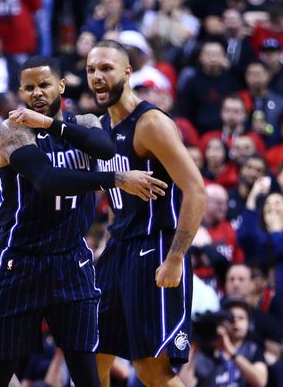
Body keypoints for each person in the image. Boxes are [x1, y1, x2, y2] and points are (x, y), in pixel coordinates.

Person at [0, 56, 166, 387]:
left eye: (44, 85)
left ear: (61, 86)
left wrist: (51, 124)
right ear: (20, 92)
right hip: (23, 260)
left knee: (85, 369)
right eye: (29, 88)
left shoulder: (86, 122)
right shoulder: (12, 131)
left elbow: (106, 149)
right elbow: (46, 180)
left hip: (72, 260)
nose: (37, 93)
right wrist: (117, 180)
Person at [87, 40, 207, 387]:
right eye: (92, 69)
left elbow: (196, 190)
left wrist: (176, 257)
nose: (97, 76)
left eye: (106, 68)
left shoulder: (150, 123)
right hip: (119, 247)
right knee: (93, 355)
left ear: (127, 72)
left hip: (154, 247)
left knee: (151, 369)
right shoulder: (101, 127)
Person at [180, 298, 269, 387]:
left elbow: (260, 382)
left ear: (249, 324)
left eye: (241, 318)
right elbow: (184, 384)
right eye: (231, 318)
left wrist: (231, 351)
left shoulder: (253, 350)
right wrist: (195, 345)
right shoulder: (207, 350)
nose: (236, 322)